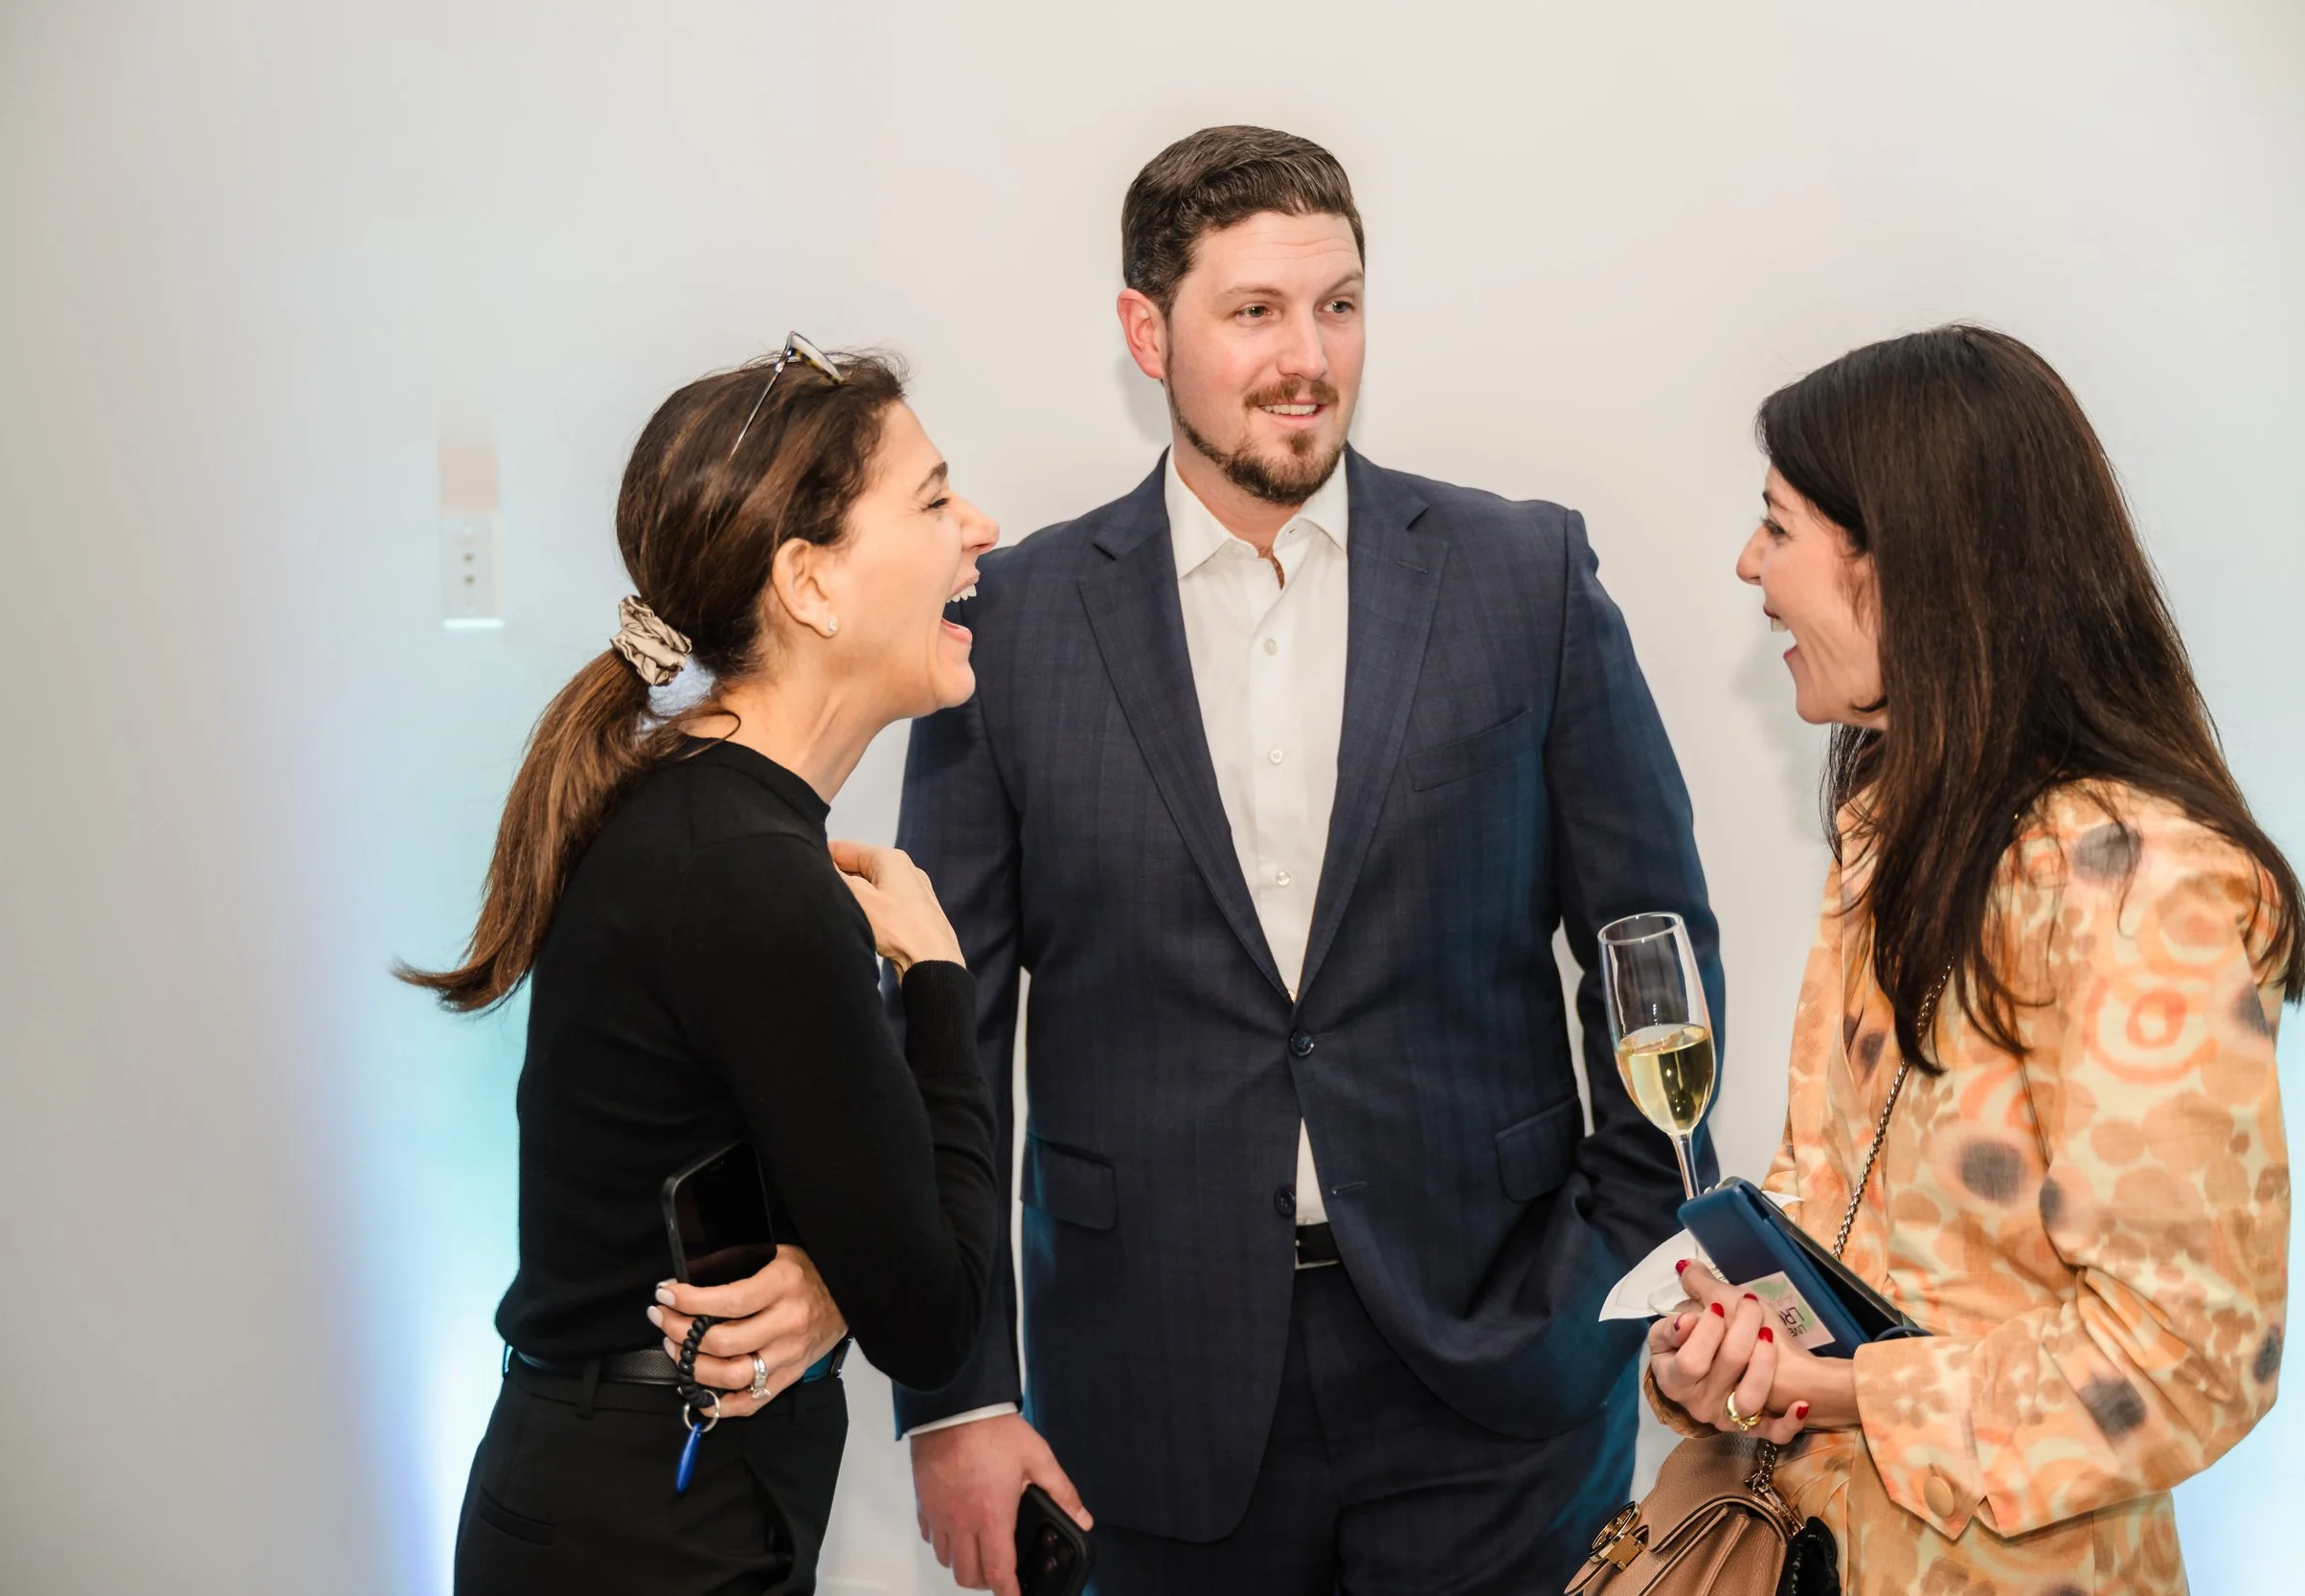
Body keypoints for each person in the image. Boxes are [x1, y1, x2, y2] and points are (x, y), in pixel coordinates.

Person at [893, 126, 1720, 1595]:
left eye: (1338, 305)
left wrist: (1634, 1252)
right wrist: (956, 1394)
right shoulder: (1008, 626)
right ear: (1148, 332)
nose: (1308, 358)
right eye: (1255, 311)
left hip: (1501, 1380)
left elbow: (1647, 941)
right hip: (1145, 1389)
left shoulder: (1522, 577)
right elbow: (941, 1035)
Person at [1645, 325, 2296, 1593]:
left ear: (1902, 564)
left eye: (1777, 526)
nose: (1748, 563)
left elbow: (2191, 1356)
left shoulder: (2134, 882)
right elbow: (1832, 1209)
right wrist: (1721, 1350)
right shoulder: (1893, 827)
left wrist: (1848, 1389)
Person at [400, 340, 1006, 1594]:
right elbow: (936, 1319)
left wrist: (835, 1281)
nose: (979, 529)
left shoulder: (697, 822)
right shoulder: (750, 876)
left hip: (614, 1502)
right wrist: (939, 976)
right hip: (649, 1532)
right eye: (935, 500)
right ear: (810, 583)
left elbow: (817, 1191)